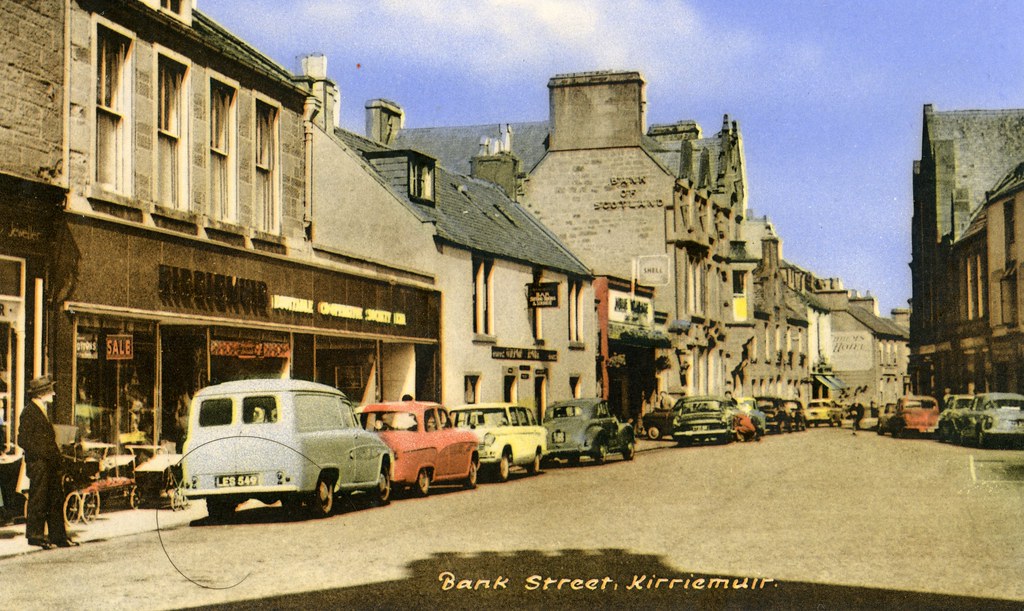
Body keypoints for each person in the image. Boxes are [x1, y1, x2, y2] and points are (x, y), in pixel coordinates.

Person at [18, 375, 78, 549]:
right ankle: (35, 536)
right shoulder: (29, 412)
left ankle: (58, 536)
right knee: (39, 499)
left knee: (55, 499)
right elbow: (23, 439)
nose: (53, 394)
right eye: (50, 391)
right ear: (42, 393)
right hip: (39, 464)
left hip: (49, 463)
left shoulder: (42, 411)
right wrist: (42, 455)